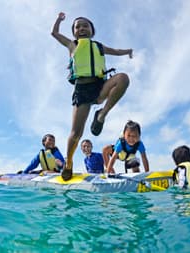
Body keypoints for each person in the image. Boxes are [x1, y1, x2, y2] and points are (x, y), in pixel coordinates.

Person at [51, 12, 133, 181]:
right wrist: (59, 20)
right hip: (82, 90)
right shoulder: (71, 44)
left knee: (123, 78)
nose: (81, 28)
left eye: (85, 25)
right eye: (77, 26)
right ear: (74, 32)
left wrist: (128, 51)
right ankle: (69, 162)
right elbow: (55, 33)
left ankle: (101, 114)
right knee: (76, 134)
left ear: (92, 30)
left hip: (100, 87)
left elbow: (116, 51)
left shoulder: (99, 46)